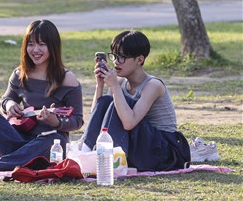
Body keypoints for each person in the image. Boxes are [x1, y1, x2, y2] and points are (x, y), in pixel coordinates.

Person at [0, 19, 83, 172]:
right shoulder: (19, 74)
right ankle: (21, 160)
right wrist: (9, 105)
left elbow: (77, 120)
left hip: (47, 142)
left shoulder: (67, 79)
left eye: (42, 44)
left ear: (53, 47)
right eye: (30, 44)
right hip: (19, 138)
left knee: (55, 141)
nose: (35, 50)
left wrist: (55, 121)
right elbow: (5, 100)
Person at [81, 30, 190, 171]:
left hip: (163, 150)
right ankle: (85, 152)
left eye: (122, 57)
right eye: (114, 56)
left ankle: (108, 160)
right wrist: (100, 85)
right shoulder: (119, 82)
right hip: (142, 146)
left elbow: (129, 123)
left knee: (118, 103)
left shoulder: (153, 85)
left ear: (139, 60)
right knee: (107, 101)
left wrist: (114, 86)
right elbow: (99, 114)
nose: (115, 62)